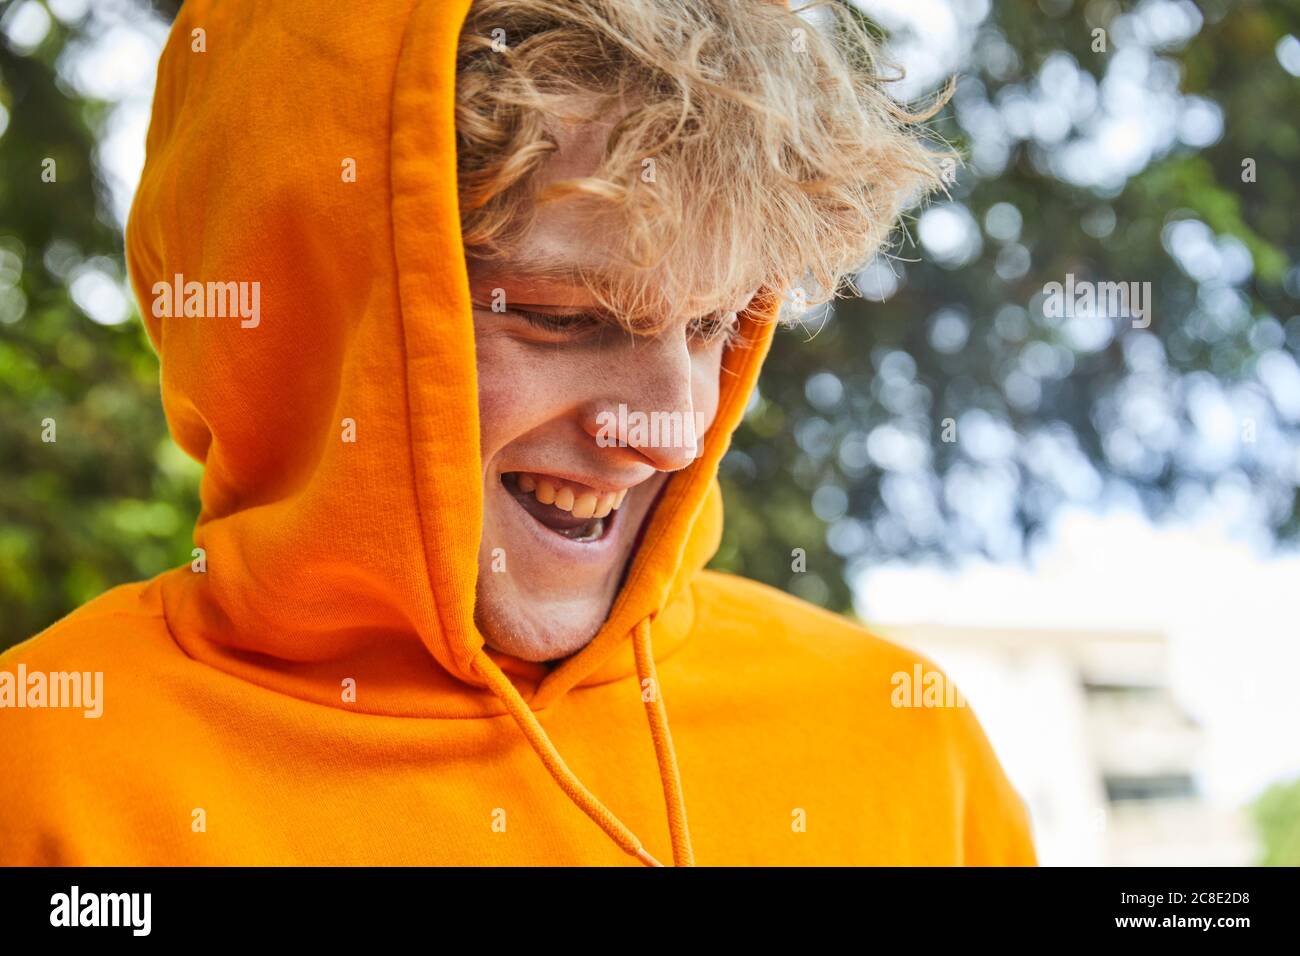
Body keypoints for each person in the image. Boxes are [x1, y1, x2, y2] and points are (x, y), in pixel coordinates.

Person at [0, 0, 1036, 866]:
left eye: (716, 322)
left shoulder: (905, 746)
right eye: (562, 316)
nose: (672, 431)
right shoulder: (46, 770)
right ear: (308, 301)